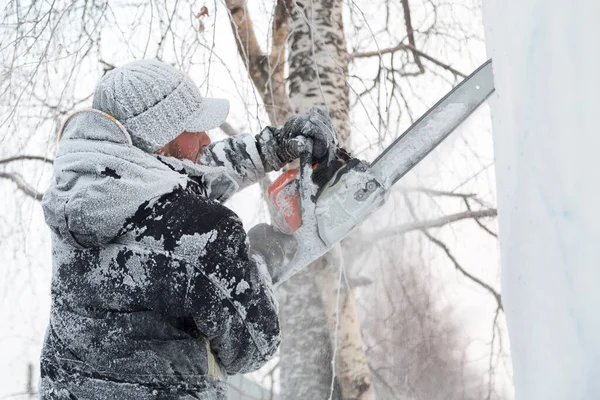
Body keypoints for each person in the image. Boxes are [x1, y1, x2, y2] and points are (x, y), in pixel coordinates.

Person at [39, 59, 337, 399]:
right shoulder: (206, 233)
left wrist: (271, 147)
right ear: (160, 143)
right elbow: (254, 345)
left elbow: (182, 173)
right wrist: (260, 261)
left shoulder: (80, 196)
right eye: (193, 128)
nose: (207, 137)